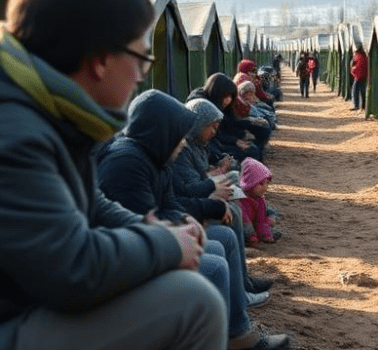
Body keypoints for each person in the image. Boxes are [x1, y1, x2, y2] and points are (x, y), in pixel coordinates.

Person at [0, 0, 227, 350]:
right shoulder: (1, 131)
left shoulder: (36, 104)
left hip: (7, 304)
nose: (141, 76)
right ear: (100, 61)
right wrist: (167, 245)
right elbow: (72, 270)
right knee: (192, 303)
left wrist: (148, 227)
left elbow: (85, 201)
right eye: (141, 59)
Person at [97, 89, 289, 350]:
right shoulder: (128, 163)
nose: (183, 143)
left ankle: (236, 329)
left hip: (150, 244)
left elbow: (170, 205)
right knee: (215, 266)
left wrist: (187, 222)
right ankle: (230, 335)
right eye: (179, 135)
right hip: (126, 260)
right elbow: (140, 226)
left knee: (221, 241)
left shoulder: (156, 156)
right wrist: (192, 223)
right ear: (162, 132)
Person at [172, 98, 274, 295]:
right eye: (211, 126)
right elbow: (187, 190)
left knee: (234, 186)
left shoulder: (197, 145)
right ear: (198, 124)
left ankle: (243, 278)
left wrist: (217, 172)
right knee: (232, 211)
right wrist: (214, 187)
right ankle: (242, 282)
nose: (214, 131)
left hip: (194, 203)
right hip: (189, 213)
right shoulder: (182, 151)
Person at [239, 158, 281, 246]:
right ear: (250, 183)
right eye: (261, 184)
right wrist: (252, 237)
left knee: (271, 218)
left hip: (253, 226)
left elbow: (261, 219)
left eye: (267, 183)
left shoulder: (260, 199)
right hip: (244, 230)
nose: (265, 187)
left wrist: (266, 235)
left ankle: (264, 234)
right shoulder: (242, 200)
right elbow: (246, 223)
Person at [350, 44, 368, 111]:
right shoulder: (364, 56)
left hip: (358, 76)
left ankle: (356, 105)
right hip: (364, 76)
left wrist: (353, 71)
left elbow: (357, 66)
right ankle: (363, 106)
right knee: (362, 91)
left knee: (355, 91)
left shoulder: (358, 56)